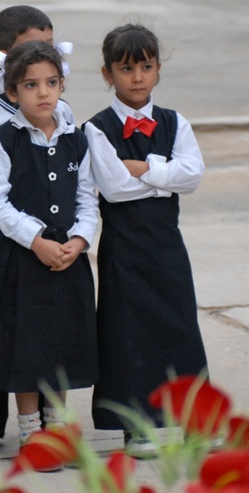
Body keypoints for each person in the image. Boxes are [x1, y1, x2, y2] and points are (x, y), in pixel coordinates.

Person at [84, 24, 207, 458]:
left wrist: (144, 168)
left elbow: (191, 176)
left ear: (158, 71)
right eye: (126, 68)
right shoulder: (96, 129)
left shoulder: (176, 122)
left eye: (146, 67)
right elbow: (114, 187)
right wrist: (163, 175)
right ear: (107, 73)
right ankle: (137, 427)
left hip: (167, 246)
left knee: (180, 327)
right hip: (123, 249)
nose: (137, 77)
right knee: (127, 333)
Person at [0, 41, 99, 469]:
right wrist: (37, 240)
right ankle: (31, 432)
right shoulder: (2, 140)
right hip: (24, 260)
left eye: (51, 83)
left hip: (68, 259)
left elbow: (88, 201)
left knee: (61, 345)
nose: (42, 93)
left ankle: (60, 428)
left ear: (62, 85)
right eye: (31, 85)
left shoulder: (77, 141)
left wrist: (79, 242)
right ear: (12, 92)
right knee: (25, 347)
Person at [0, 5, 75, 457]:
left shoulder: (60, 107)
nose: (44, 55)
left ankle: (52, 419)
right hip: (4, 240)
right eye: (33, 48)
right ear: (7, 57)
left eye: (49, 46)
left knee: (46, 331)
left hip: (53, 239)